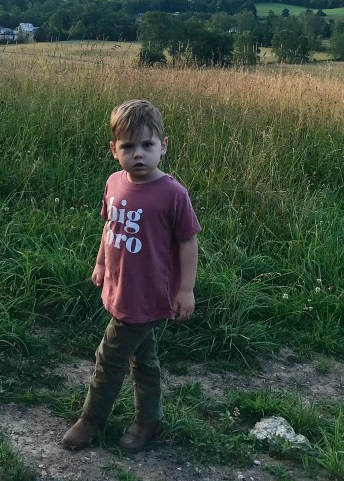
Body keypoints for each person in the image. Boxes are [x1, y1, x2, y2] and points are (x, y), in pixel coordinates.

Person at [62, 99, 201, 453]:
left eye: (147, 145)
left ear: (163, 146)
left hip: (148, 292)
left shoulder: (172, 194)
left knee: (109, 357)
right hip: (121, 285)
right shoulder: (114, 183)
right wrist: (101, 264)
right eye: (128, 146)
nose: (138, 154)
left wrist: (185, 290)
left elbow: (188, 240)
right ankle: (149, 420)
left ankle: (90, 420)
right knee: (144, 359)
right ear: (114, 150)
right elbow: (110, 227)